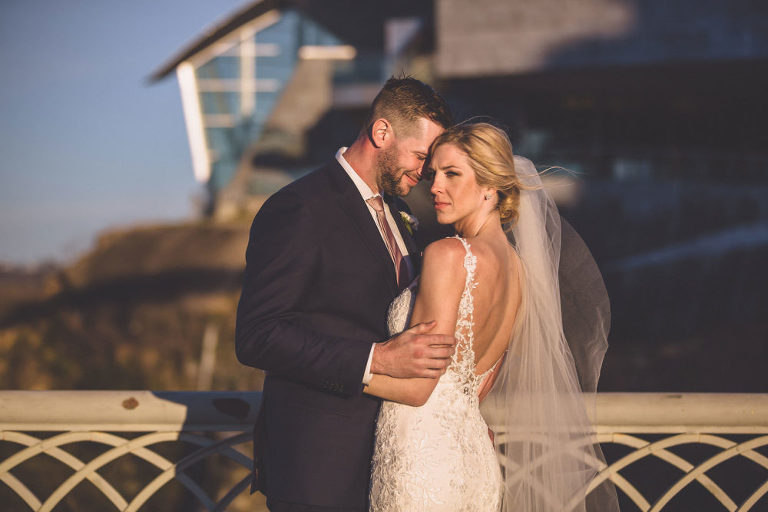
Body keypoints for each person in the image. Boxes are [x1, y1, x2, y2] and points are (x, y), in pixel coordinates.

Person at [366, 122, 619, 512]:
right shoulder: (519, 271)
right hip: (475, 461)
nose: (435, 187)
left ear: (490, 187)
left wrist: (340, 369)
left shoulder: (447, 255)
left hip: (422, 459)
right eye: (433, 174)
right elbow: (476, 384)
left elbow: (418, 388)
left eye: (452, 174)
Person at [235, 77, 455, 511]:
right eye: (420, 156)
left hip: (392, 463)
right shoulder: (299, 207)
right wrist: (377, 359)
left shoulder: (400, 212)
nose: (424, 172)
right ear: (381, 132)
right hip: (317, 468)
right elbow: (257, 335)